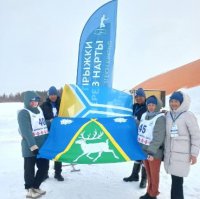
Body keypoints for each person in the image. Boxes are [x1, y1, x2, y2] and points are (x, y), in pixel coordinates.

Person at [164, 91, 200, 199]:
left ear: (182, 102)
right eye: (171, 101)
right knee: (175, 181)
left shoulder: (188, 115)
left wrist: (194, 154)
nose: (173, 104)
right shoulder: (169, 115)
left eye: (176, 101)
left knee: (177, 182)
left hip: (182, 155)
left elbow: (196, 136)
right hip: (170, 155)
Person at [17, 91, 49, 198]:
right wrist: (33, 146)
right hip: (30, 148)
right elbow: (26, 131)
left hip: (42, 146)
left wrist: (53, 121)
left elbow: (43, 124)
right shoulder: (23, 113)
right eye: (32, 101)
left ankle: (36, 187)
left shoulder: (39, 110)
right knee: (29, 170)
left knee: (44, 168)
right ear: (27, 101)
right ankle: (30, 189)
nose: (35, 103)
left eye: (36, 101)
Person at [138, 95, 166, 199]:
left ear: (157, 105)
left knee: (154, 174)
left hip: (154, 152)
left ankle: (153, 194)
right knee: (148, 173)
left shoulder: (160, 118)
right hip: (144, 150)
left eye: (153, 105)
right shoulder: (145, 115)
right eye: (149, 104)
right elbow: (141, 128)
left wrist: (151, 152)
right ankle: (148, 192)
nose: (151, 107)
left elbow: (158, 138)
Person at [123, 88, 147, 188]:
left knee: (144, 156)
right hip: (134, 134)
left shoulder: (147, 107)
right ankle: (134, 175)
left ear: (144, 97)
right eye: (136, 97)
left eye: (140, 97)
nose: (138, 99)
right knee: (137, 154)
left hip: (144, 135)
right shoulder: (134, 106)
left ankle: (144, 179)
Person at [40, 86, 64, 181]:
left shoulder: (62, 104)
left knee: (58, 152)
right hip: (48, 131)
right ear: (48, 95)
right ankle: (45, 173)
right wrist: (48, 121)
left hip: (59, 132)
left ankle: (58, 173)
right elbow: (40, 119)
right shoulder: (44, 105)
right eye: (51, 94)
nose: (53, 96)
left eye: (54, 94)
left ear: (57, 94)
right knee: (47, 151)